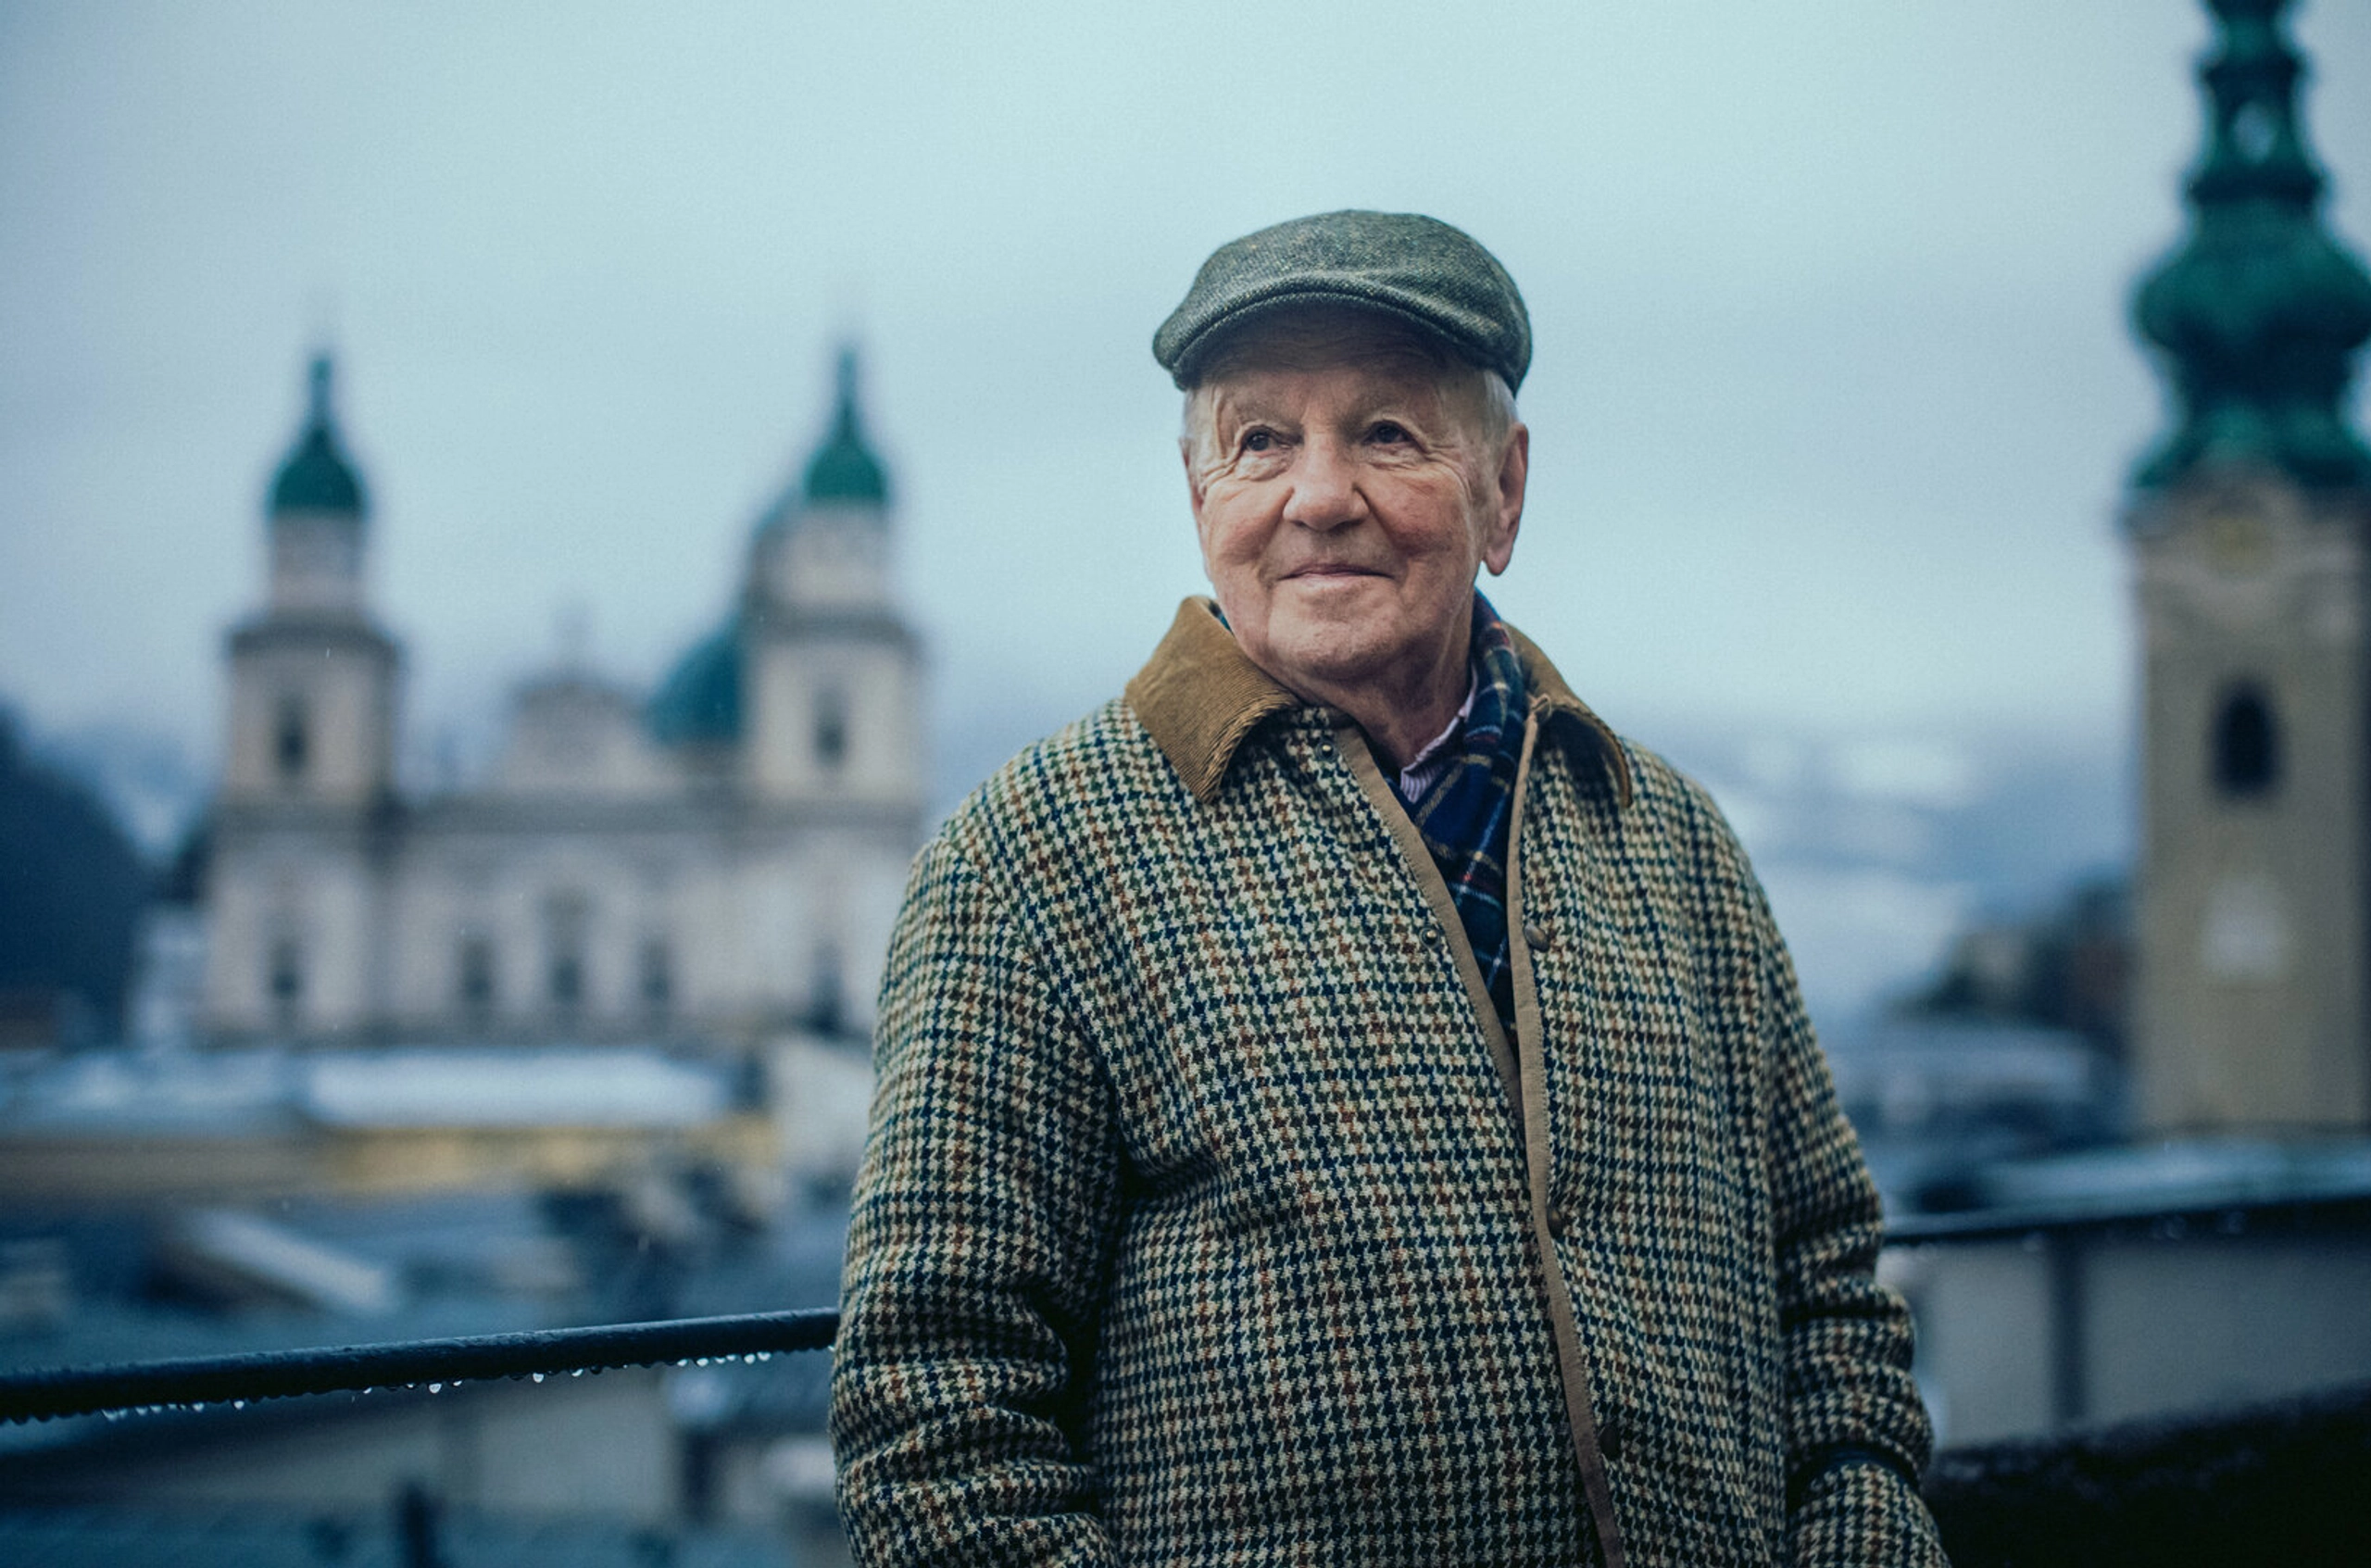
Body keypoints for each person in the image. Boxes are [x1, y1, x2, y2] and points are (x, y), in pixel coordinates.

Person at [831, 209, 1948, 1567]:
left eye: (1386, 435)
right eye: (1259, 443)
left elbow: (1827, 1292)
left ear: (1506, 492)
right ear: (1200, 505)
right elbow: (935, 1415)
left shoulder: (1671, 842)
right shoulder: (1031, 858)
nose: (1317, 496)